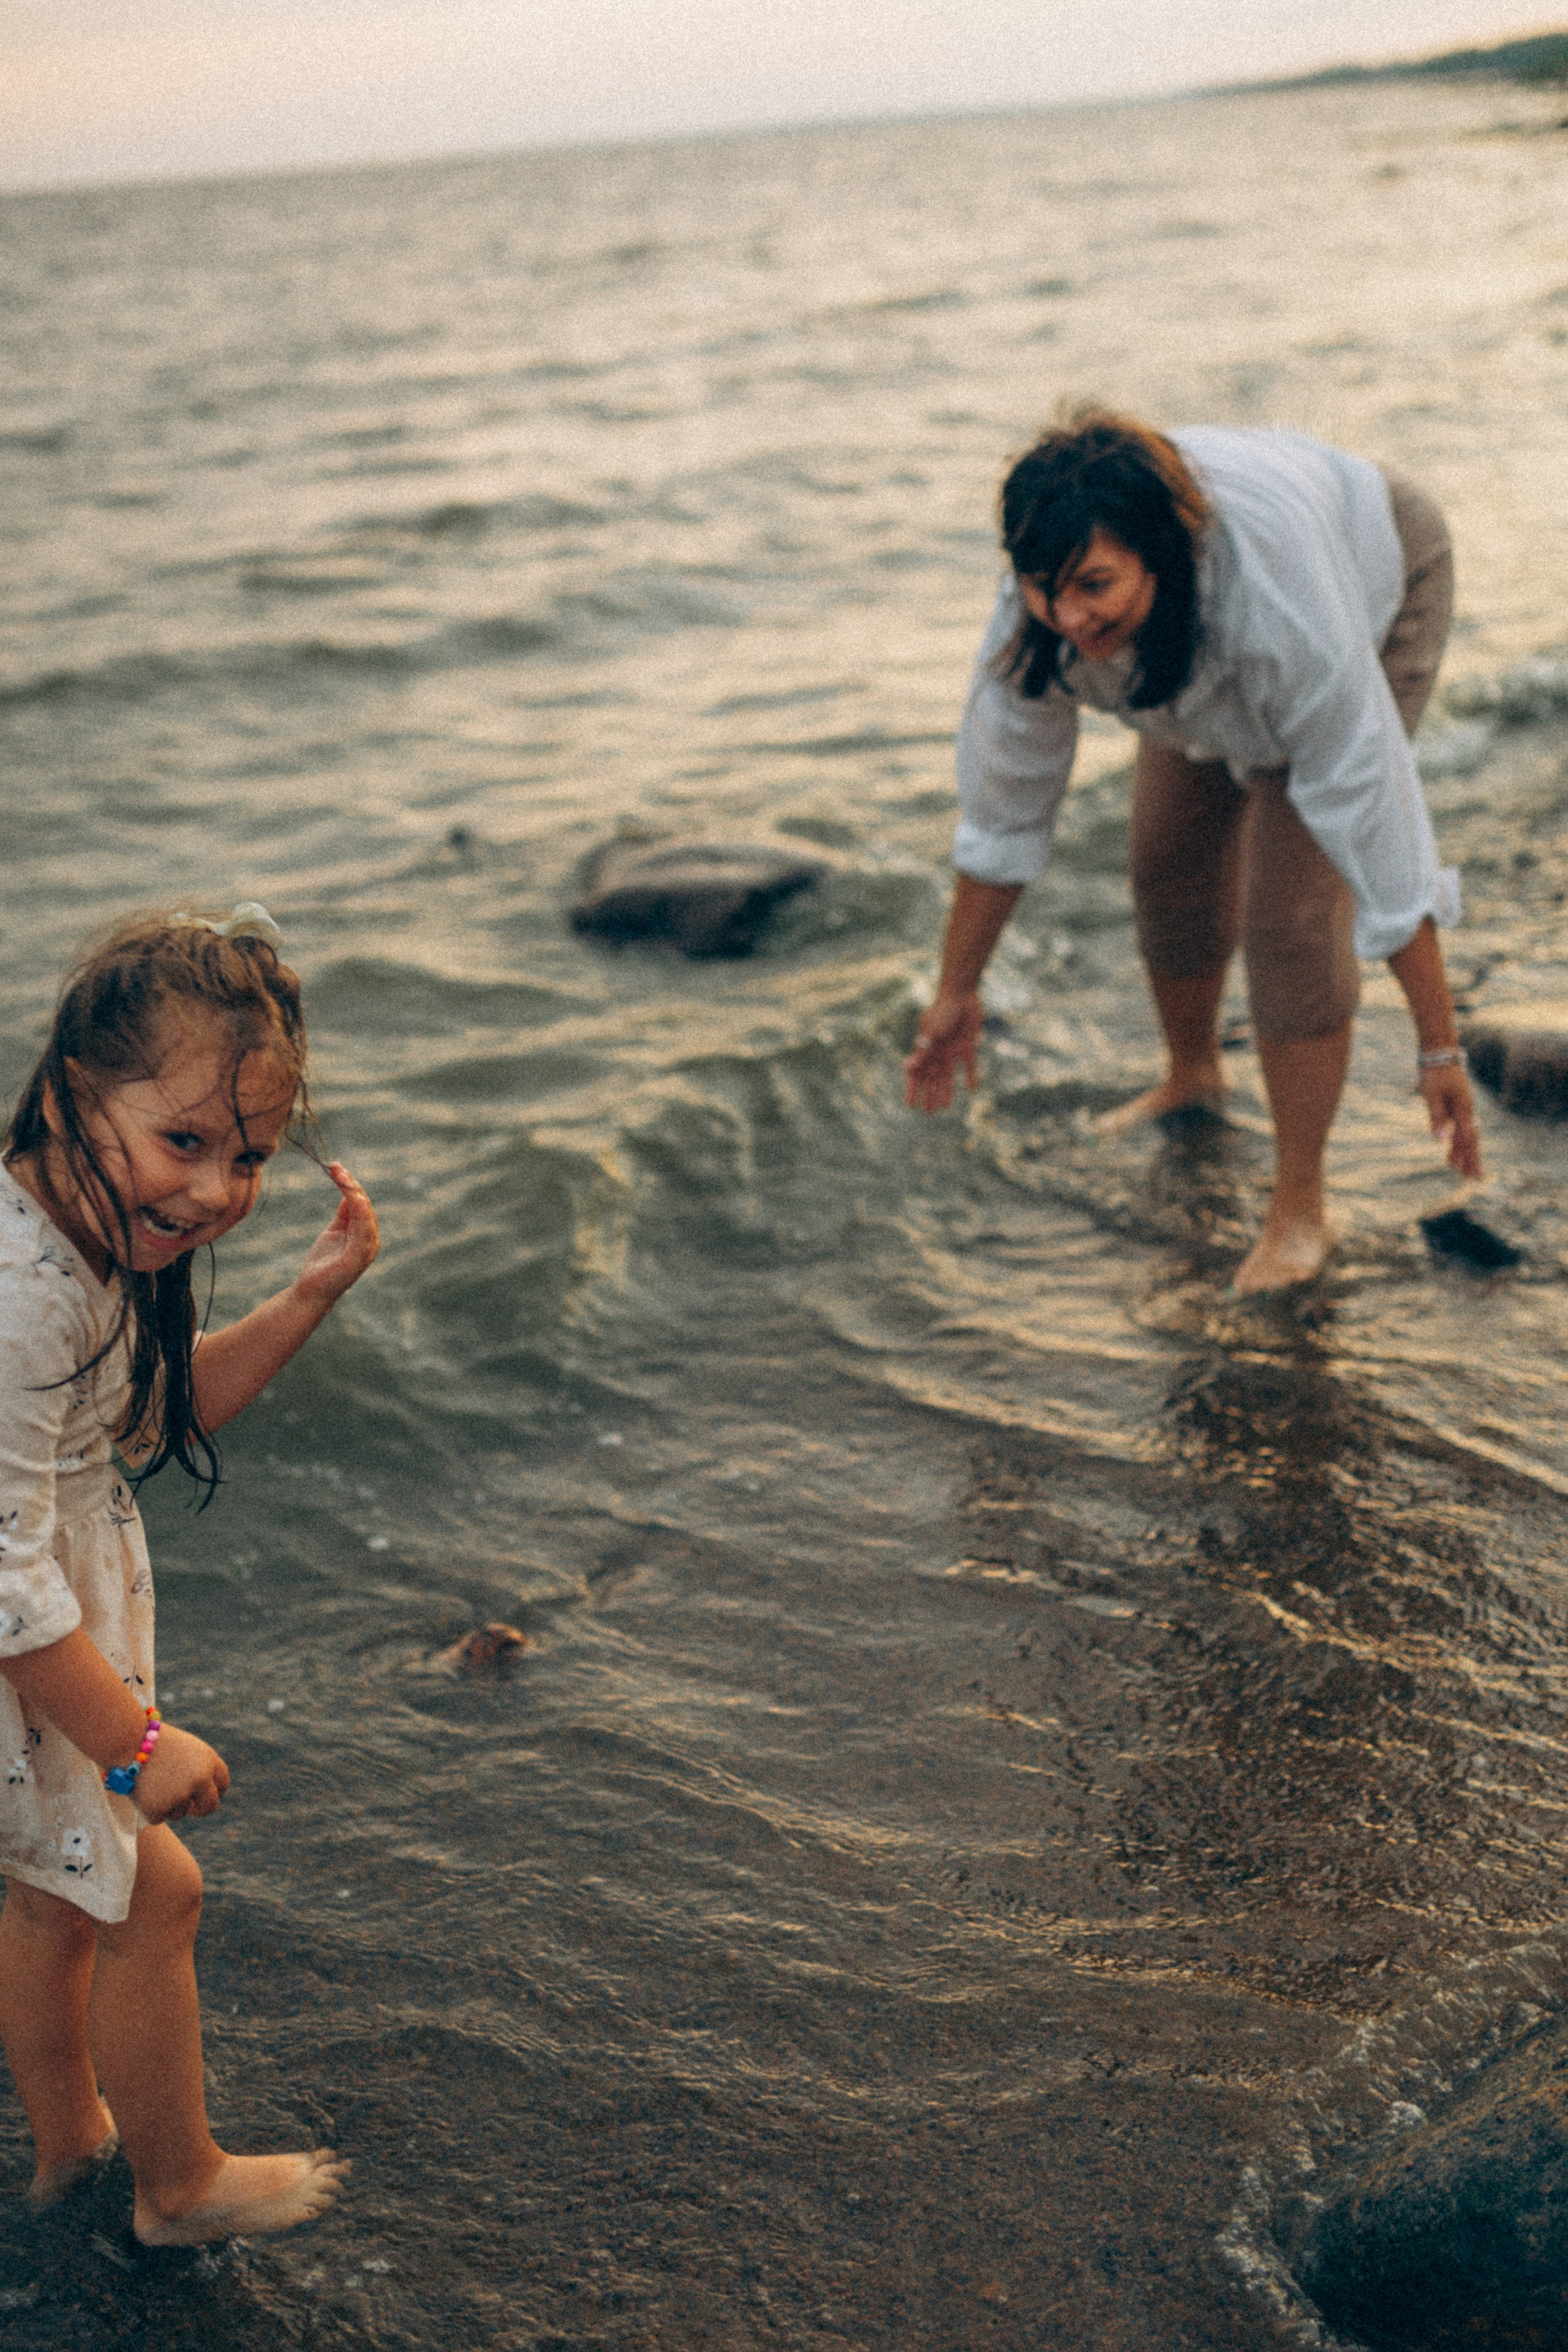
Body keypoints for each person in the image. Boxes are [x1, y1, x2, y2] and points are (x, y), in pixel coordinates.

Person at [903, 410, 1482, 1295]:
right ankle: (1191, 1074)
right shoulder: (1052, 617)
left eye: (1093, 585)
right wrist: (957, 991)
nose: (1066, 615)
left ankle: (1299, 1210)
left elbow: (1380, 828)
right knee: (1165, 866)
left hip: (1374, 578)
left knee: (1289, 922)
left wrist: (1438, 1046)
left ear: (1158, 555)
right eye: (1040, 586)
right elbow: (1003, 812)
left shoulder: (1280, 612)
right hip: (1182, 642)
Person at [0, 906, 380, 2243]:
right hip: (36, 1671)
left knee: (57, 1903)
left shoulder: (85, 1248)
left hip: (39, 1678)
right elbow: (2, 1581)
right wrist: (135, 1740)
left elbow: (149, 1422)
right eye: (185, 1140)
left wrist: (306, 1296)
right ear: (70, 1091)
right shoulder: (28, 1291)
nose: (217, 1191)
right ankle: (177, 2185)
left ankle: (66, 2156)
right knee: (157, 1893)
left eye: (251, 1156)